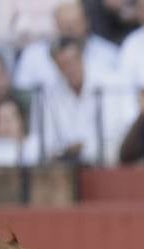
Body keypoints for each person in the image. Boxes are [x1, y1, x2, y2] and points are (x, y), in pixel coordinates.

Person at [40, 35, 133, 164]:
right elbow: (48, 138)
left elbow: (116, 129)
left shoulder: (109, 81)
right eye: (63, 64)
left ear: (82, 57)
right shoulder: (49, 92)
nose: (70, 68)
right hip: (67, 160)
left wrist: (83, 146)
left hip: (107, 156)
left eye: (73, 61)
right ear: (56, 66)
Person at [14, 1, 121, 93]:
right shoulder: (32, 55)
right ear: (55, 25)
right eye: (65, 24)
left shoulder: (109, 53)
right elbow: (24, 95)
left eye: (75, 22)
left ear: (86, 23)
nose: (70, 29)